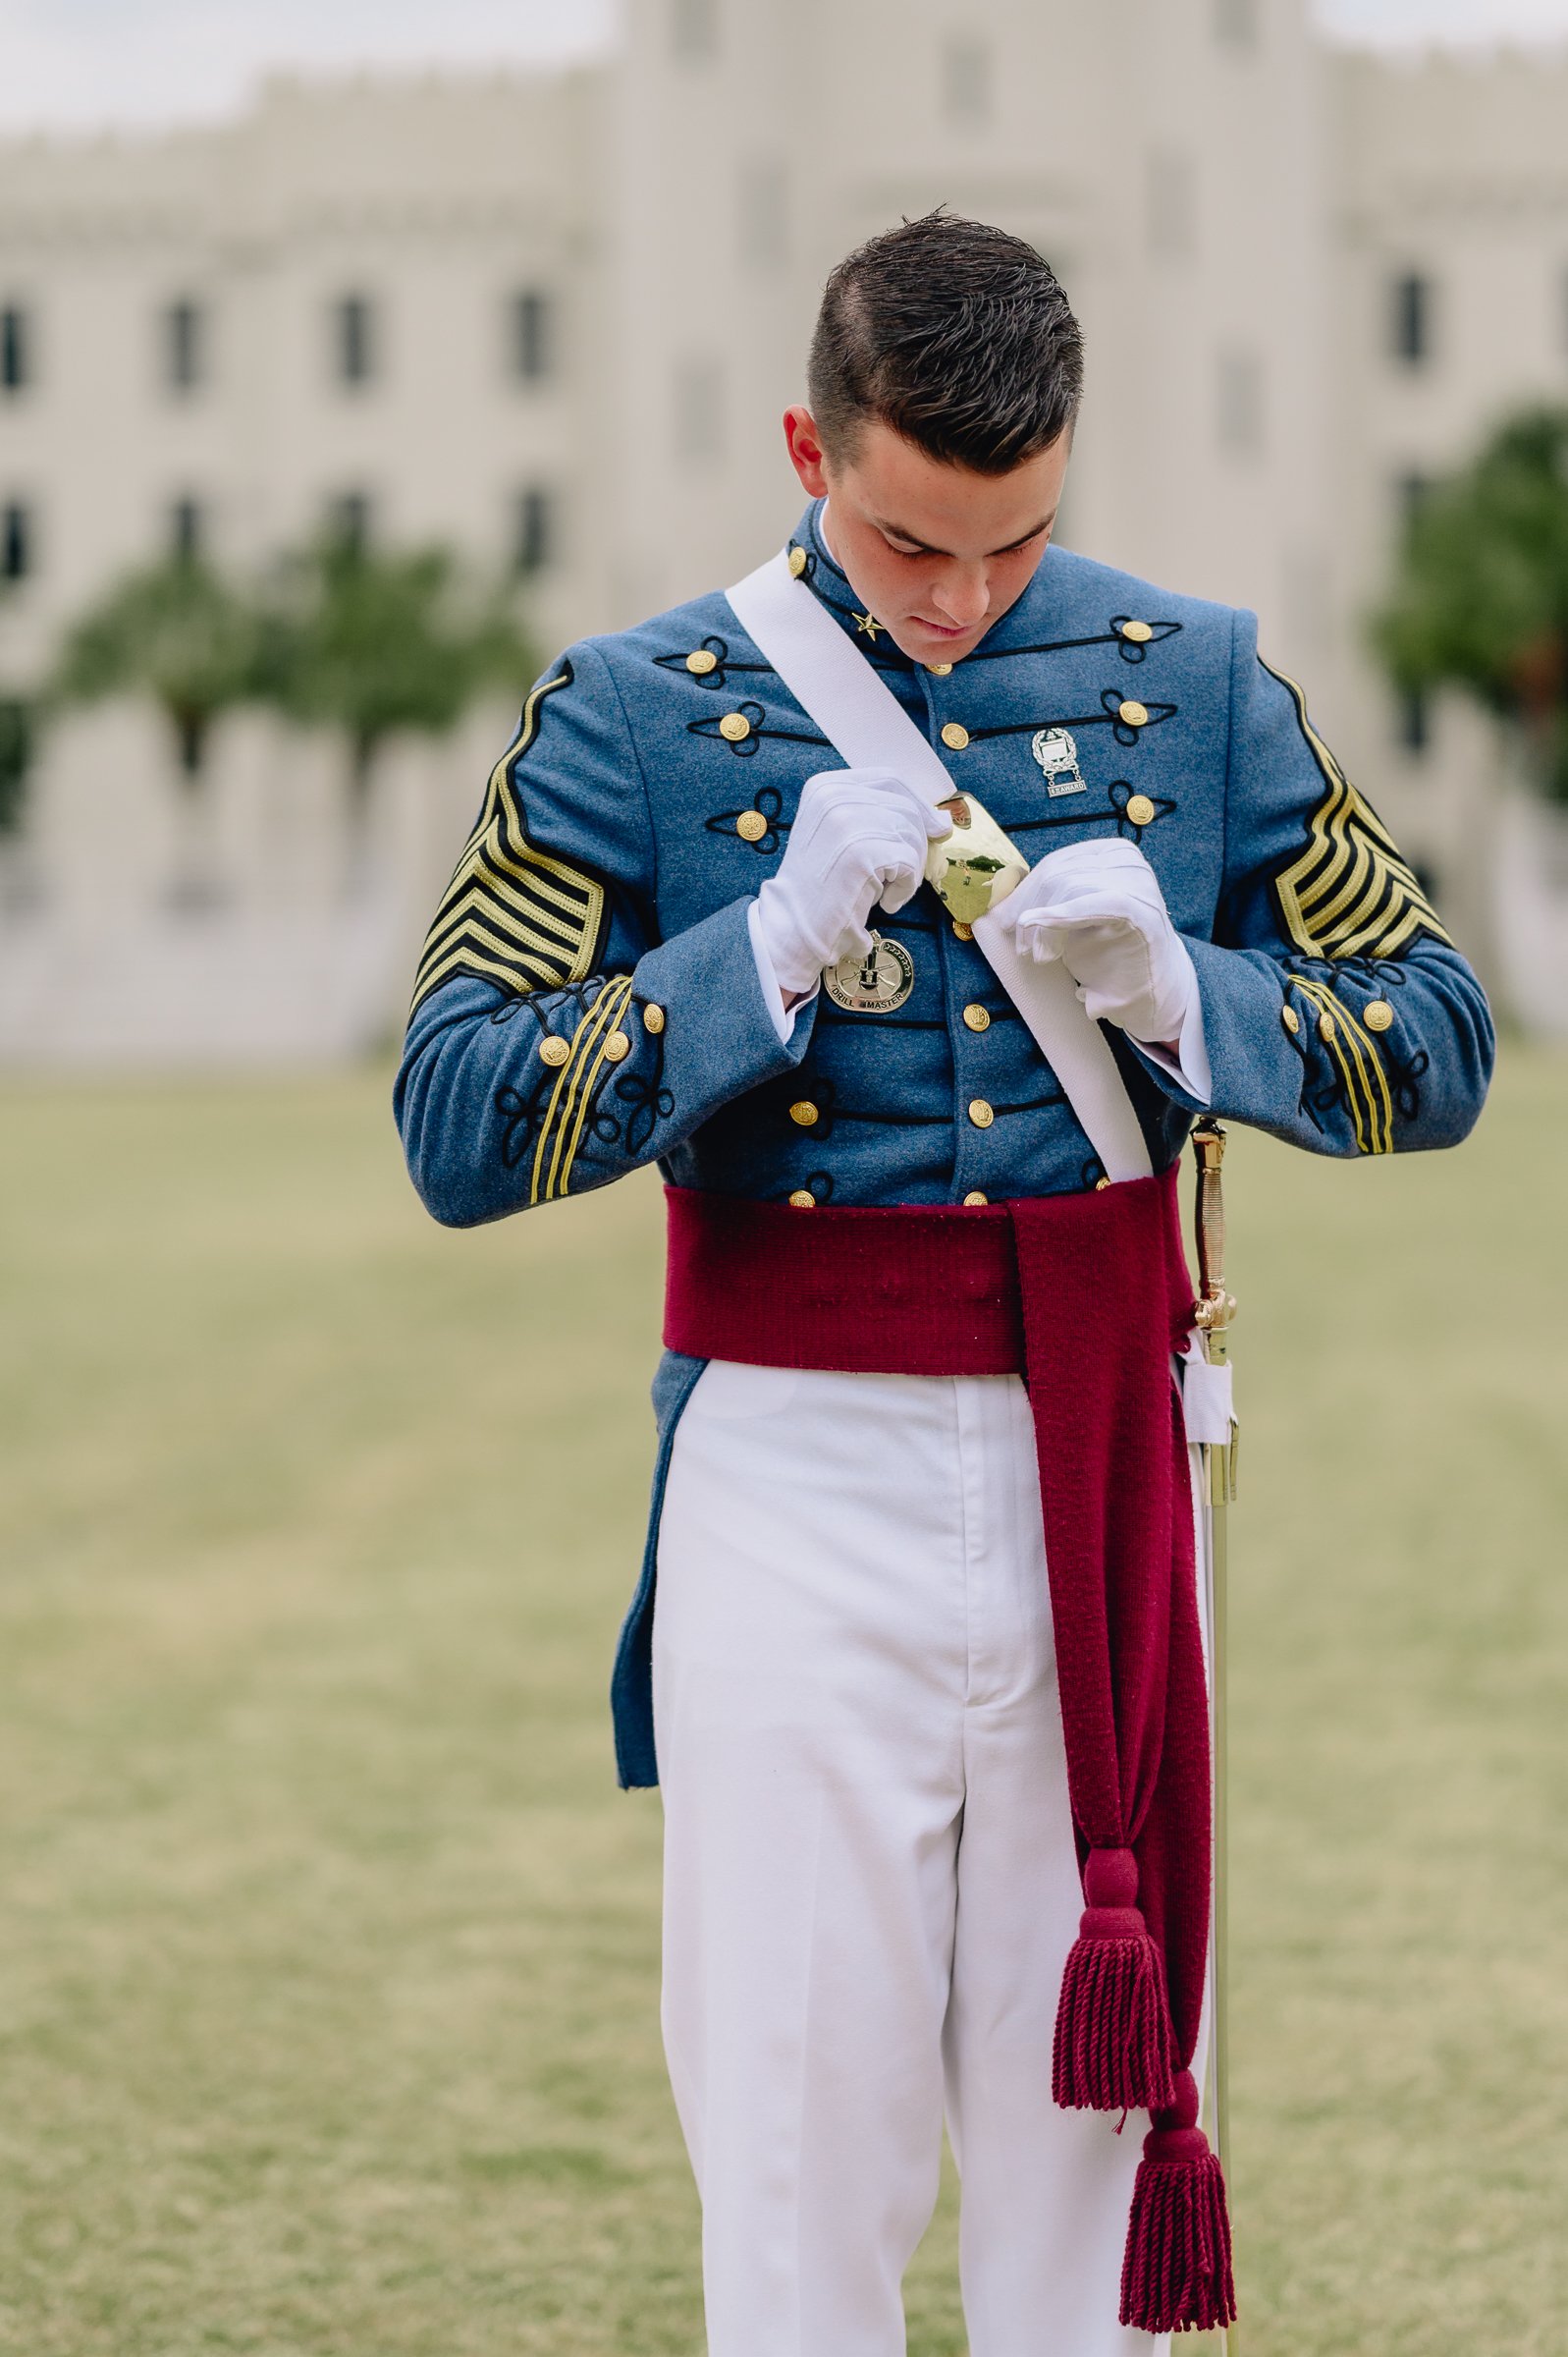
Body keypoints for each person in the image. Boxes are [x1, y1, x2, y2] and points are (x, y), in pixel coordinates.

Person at [395, 213, 1492, 2356]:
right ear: (810, 443)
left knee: (1091, 2145)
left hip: (1099, 1467)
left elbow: (1436, 1034)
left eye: (1012, 545)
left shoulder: (1197, 677)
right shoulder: (634, 711)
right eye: (907, 544)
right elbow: (451, 1113)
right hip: (791, 1475)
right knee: (800, 2140)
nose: (958, 604)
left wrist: (1200, 1004)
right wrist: (750, 962)